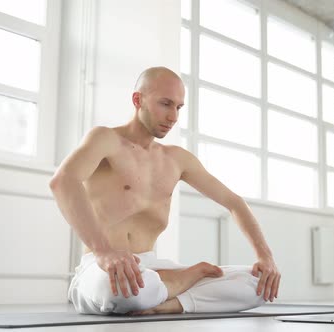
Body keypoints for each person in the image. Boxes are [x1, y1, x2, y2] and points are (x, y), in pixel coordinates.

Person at [49, 67, 280, 315]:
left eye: (179, 107)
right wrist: (103, 251)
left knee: (258, 284)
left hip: (154, 269)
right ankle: (182, 282)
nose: (173, 117)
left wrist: (265, 257)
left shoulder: (177, 159)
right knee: (119, 291)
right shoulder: (105, 139)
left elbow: (235, 203)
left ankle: (167, 304)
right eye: (166, 104)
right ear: (138, 100)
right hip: (101, 266)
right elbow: (63, 181)